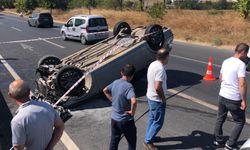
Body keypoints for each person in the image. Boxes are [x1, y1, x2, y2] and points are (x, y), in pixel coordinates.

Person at [8, 80, 64, 150]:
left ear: (10, 95)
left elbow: (18, 148)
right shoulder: (47, 106)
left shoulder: (17, 121)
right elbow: (60, 127)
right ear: (29, 92)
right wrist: (49, 147)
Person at [213, 43, 249, 150]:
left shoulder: (226, 61)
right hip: (233, 98)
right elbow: (242, 84)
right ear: (242, 52)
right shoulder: (241, 64)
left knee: (220, 118)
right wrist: (243, 100)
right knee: (239, 121)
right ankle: (230, 144)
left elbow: (220, 77)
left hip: (222, 95)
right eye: (246, 54)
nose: (247, 56)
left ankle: (218, 141)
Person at [103, 64, 137, 150]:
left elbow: (105, 90)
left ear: (121, 72)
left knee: (114, 141)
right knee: (131, 142)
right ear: (132, 75)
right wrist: (132, 112)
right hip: (126, 121)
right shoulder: (129, 86)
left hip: (114, 119)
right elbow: (134, 101)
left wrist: (112, 100)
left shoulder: (115, 82)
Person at [143, 48, 169, 150]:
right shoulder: (160, 69)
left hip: (150, 96)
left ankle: (150, 136)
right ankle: (148, 141)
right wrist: (163, 98)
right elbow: (158, 86)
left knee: (152, 119)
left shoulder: (153, 64)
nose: (168, 59)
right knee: (158, 122)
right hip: (156, 99)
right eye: (168, 57)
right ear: (165, 57)